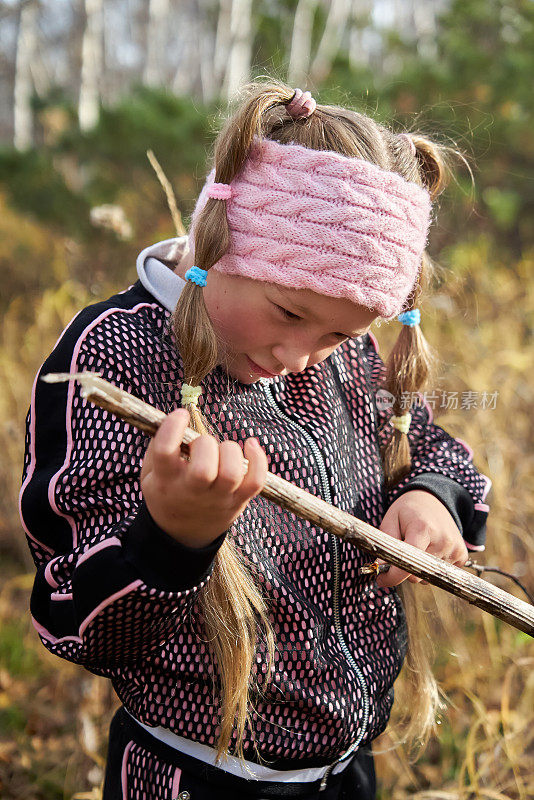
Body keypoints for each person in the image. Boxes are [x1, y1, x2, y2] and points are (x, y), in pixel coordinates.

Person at [19, 80, 491, 799]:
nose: (304, 355)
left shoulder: (344, 362)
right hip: (198, 773)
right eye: (288, 311)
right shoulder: (120, 355)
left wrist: (433, 497)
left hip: (344, 768)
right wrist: (171, 538)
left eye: (339, 334)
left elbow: (424, 443)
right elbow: (74, 619)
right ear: (220, 241)